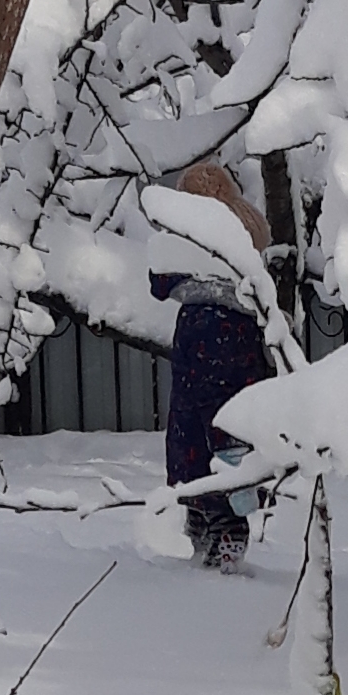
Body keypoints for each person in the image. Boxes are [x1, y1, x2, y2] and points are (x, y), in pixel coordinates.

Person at [150, 162, 271, 574]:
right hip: (239, 341)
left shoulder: (192, 236)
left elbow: (159, 279)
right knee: (230, 431)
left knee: (196, 432)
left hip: (203, 344)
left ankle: (212, 519)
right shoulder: (245, 227)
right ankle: (217, 515)